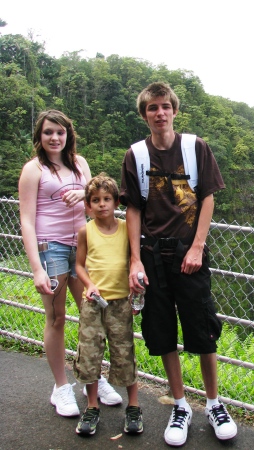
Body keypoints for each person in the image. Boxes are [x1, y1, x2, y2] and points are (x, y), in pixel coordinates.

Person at [120, 82, 237, 446]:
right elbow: (133, 208)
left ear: (174, 110)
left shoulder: (195, 147)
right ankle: (181, 405)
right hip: (153, 256)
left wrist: (198, 247)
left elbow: (207, 198)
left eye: (165, 106)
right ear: (145, 114)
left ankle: (215, 404)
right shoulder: (136, 155)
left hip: (190, 254)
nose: (160, 113)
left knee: (202, 330)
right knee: (163, 331)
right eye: (152, 108)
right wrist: (135, 259)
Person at [18, 110, 117, 417]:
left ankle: (93, 377)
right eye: (48, 132)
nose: (54, 137)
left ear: (68, 134)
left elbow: (95, 204)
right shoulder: (33, 170)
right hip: (52, 249)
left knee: (92, 315)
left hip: (83, 247)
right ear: (40, 135)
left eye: (60, 132)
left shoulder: (80, 163)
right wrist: (36, 268)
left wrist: (81, 193)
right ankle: (61, 388)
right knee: (57, 317)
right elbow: (27, 220)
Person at [73, 173, 143, 436]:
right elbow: (79, 265)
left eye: (107, 199)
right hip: (93, 304)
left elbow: (133, 261)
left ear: (116, 202)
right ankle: (92, 407)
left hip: (120, 303)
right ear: (87, 206)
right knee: (90, 354)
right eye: (95, 200)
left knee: (124, 352)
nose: (102, 204)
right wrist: (89, 285)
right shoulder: (85, 231)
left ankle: (133, 406)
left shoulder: (127, 229)